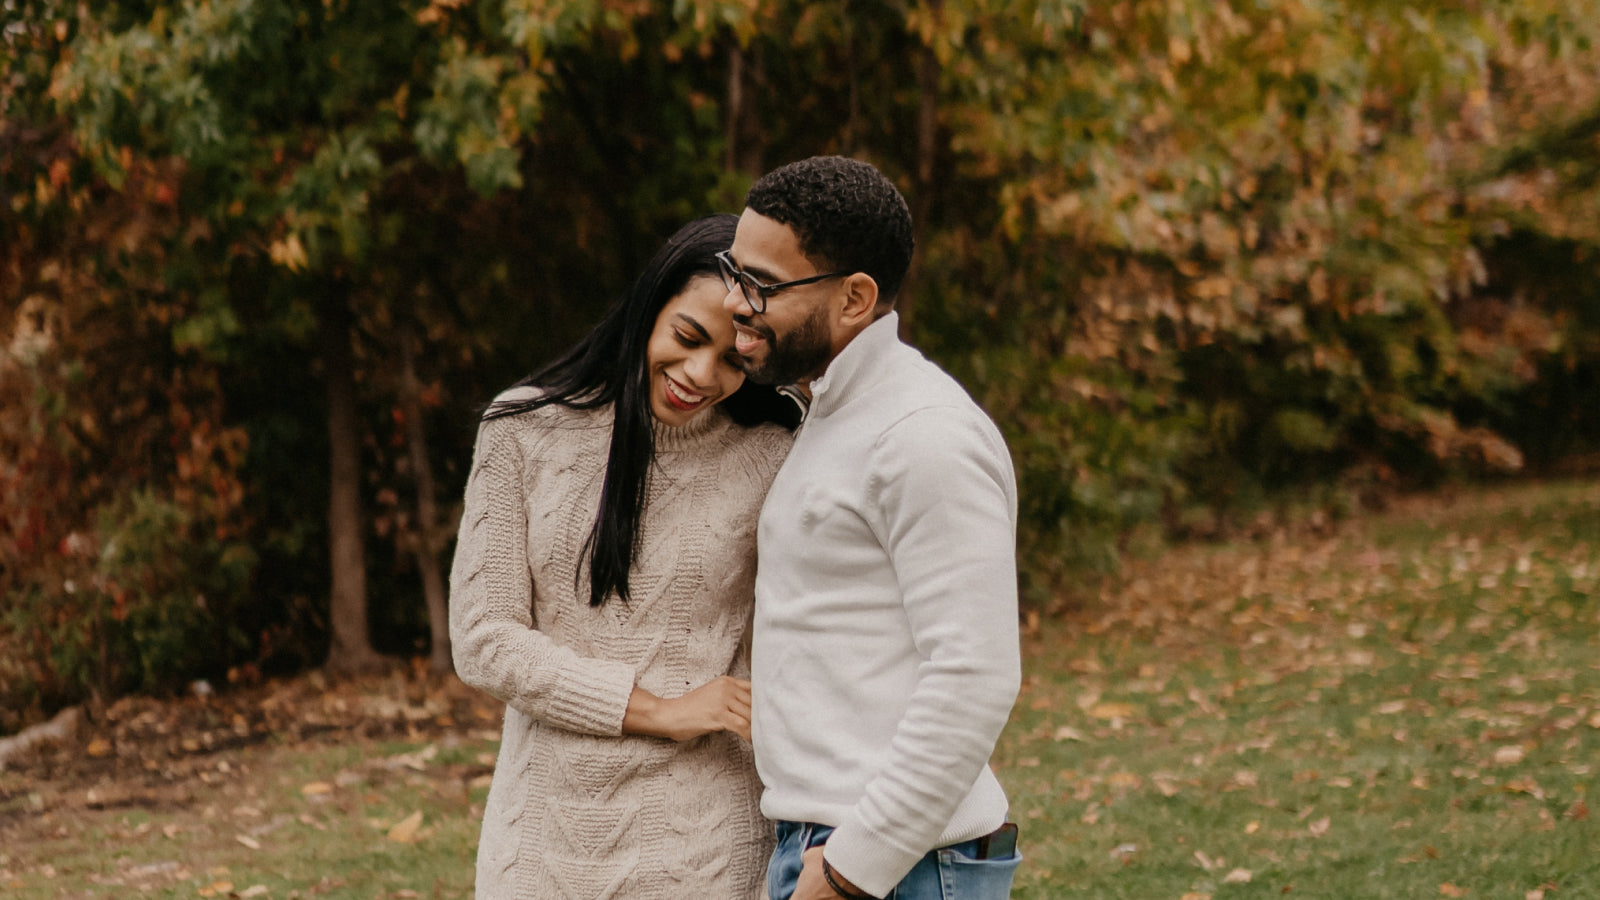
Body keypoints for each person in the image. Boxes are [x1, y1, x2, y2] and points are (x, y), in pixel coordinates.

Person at [449, 214, 797, 898]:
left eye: (734, 359)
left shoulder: (775, 455)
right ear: (649, 308)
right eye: (688, 337)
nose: (700, 374)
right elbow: (484, 638)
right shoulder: (522, 430)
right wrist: (658, 709)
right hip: (540, 837)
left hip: (703, 846)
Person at [718, 156, 1023, 900]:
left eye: (761, 283)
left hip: (895, 867)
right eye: (734, 269)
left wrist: (851, 870)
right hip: (838, 850)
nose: (735, 300)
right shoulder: (832, 412)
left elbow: (976, 676)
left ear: (855, 298)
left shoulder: (922, 435)